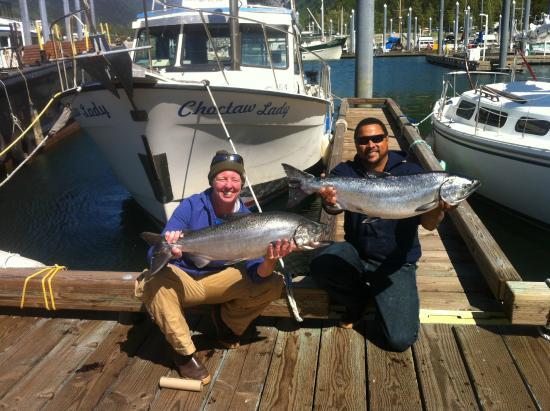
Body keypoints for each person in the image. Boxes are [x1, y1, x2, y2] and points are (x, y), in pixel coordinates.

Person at [135, 150, 294, 384]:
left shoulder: (251, 220)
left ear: (242, 184)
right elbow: (153, 252)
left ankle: (227, 324)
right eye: (222, 179)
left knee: (273, 283)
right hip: (185, 278)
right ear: (212, 181)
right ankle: (184, 354)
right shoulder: (191, 206)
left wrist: (270, 260)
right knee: (152, 281)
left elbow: (257, 276)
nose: (229, 185)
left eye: (235, 180)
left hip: (220, 281)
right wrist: (171, 248)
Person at [310, 117, 453, 352]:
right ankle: (358, 299)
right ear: (356, 144)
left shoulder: (411, 173)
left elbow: (428, 225)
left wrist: (438, 208)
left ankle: (381, 293)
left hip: (396, 263)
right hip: (356, 251)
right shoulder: (345, 171)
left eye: (377, 138)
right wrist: (329, 201)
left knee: (400, 340)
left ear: (387, 140)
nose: (371, 144)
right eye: (364, 140)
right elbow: (333, 207)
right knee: (319, 263)